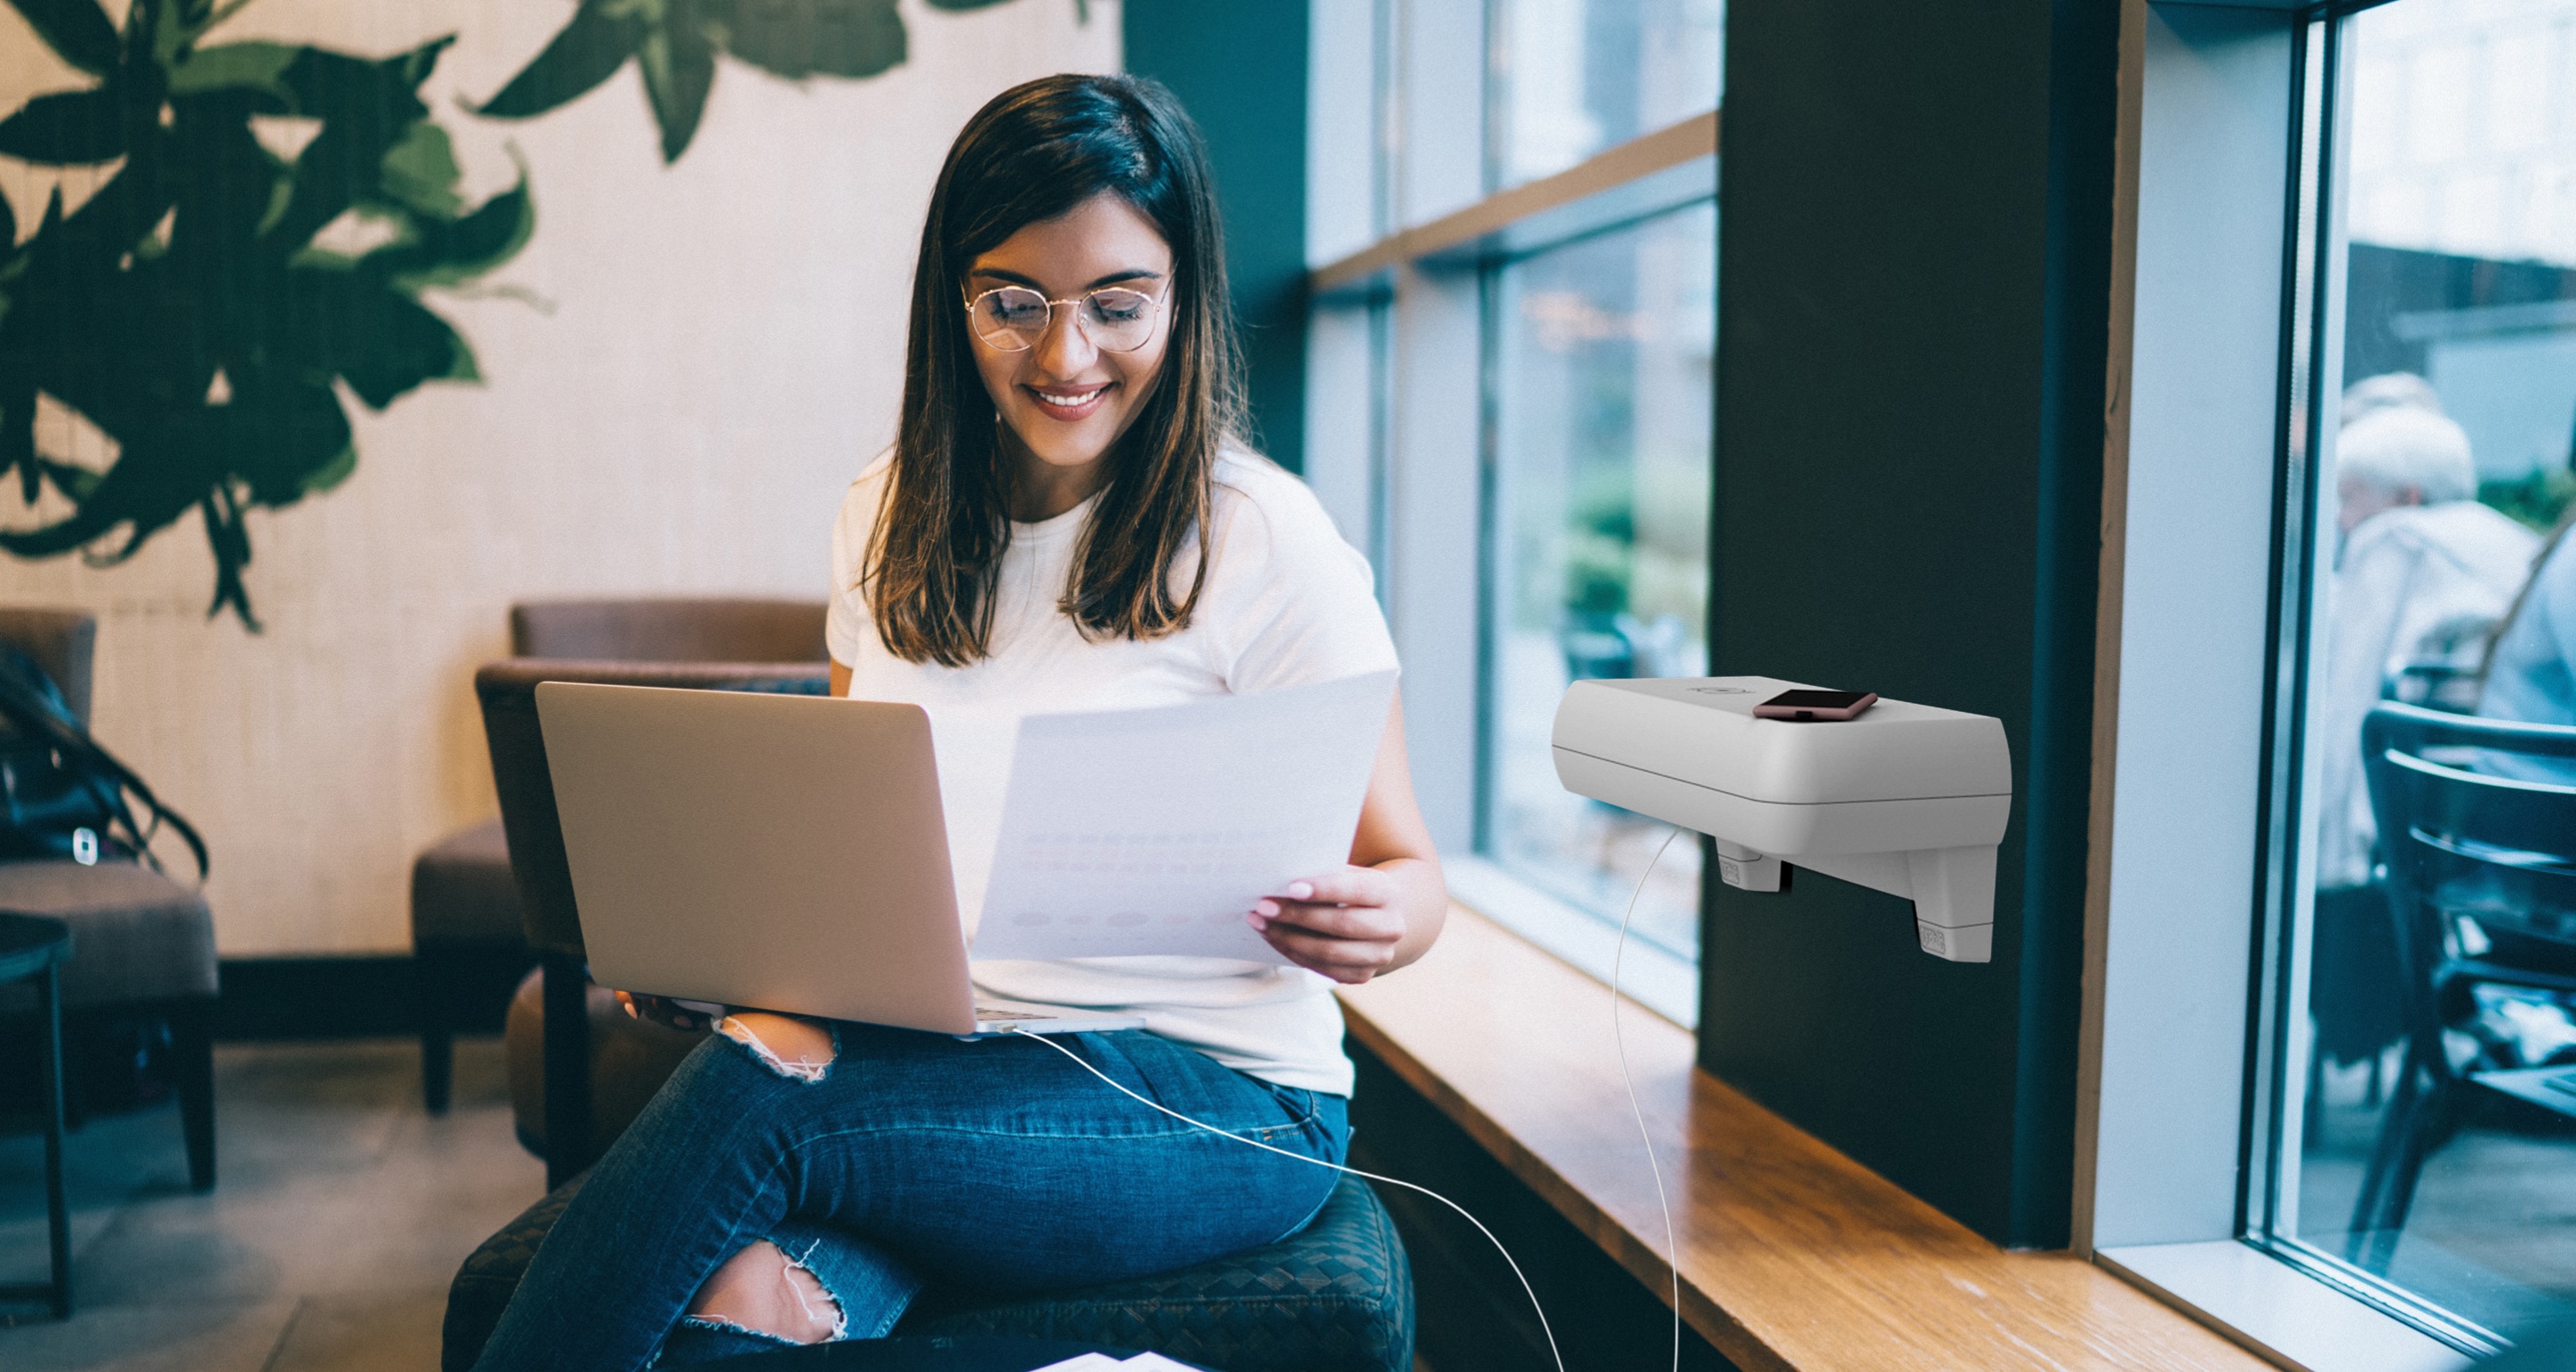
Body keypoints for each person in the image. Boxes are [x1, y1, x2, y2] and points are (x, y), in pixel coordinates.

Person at [470, 74, 1444, 1370]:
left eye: (1118, 305)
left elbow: (1412, 872)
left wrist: (1386, 914)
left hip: (1217, 1099)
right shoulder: (882, 516)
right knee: (737, 1311)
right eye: (1013, 303)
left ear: (1183, 298)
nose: (1065, 356)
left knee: (762, 1097)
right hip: (948, 1071)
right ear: (954, 298)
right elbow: (838, 842)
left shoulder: (1264, 539)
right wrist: (725, 948)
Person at [2316, 398, 2537, 893]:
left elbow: (2351, 710)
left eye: (2349, 497)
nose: (2341, 519)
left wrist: (2327, 873)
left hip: (2411, 868)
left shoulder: (2398, 542)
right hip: (2509, 854)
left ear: (2407, 498)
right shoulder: (2515, 546)